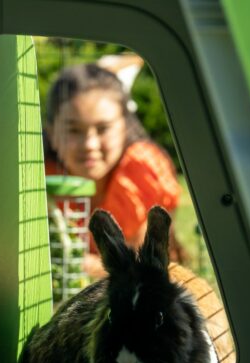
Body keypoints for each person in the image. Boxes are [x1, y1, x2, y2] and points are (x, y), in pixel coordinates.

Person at [44, 62, 185, 276]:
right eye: (73, 130)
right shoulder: (38, 177)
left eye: (103, 129)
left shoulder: (143, 170)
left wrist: (81, 265)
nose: (89, 144)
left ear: (125, 126)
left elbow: (142, 267)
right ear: (51, 132)